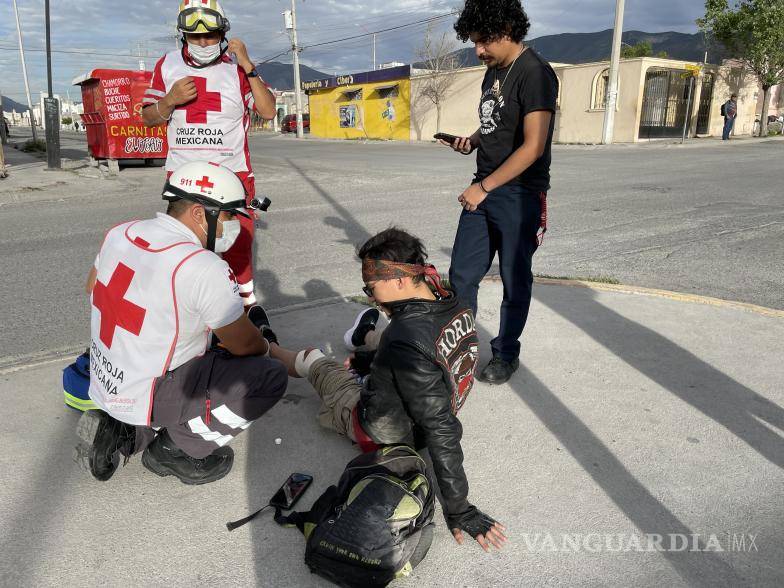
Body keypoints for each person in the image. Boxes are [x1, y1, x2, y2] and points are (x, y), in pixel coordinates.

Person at [263, 228, 507, 552]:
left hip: (376, 429)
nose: (370, 296)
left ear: (399, 280)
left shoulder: (404, 338)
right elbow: (419, 355)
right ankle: (364, 334)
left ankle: (265, 345)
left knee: (314, 360)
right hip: (411, 389)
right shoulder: (454, 301)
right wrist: (369, 362)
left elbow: (442, 430)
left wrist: (460, 509)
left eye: (371, 287)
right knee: (386, 338)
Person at [75, 161, 287, 485]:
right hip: (154, 387)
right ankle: (177, 448)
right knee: (268, 377)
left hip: (108, 374)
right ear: (200, 213)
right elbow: (245, 345)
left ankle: (122, 429)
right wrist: (268, 347)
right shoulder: (202, 266)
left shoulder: (122, 232)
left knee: (195, 341)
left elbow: (91, 287)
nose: (234, 226)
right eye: (230, 216)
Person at [439, 0, 558, 385]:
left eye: (484, 41)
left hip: (519, 195)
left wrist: (484, 187)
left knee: (514, 278)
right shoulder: (494, 70)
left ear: (507, 30)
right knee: (461, 275)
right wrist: (472, 140)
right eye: (474, 42)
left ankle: (506, 353)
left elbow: (533, 146)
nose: (478, 50)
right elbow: (497, 120)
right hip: (485, 187)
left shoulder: (535, 73)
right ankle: (462, 352)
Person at [142, 0, 277, 308]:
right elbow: (148, 118)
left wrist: (247, 64)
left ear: (223, 34)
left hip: (233, 174)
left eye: (211, 35)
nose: (203, 42)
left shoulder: (237, 68)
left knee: (237, 246)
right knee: (185, 246)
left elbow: (268, 111)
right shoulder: (166, 64)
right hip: (184, 177)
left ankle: (244, 308)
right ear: (183, 35)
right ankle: (192, 308)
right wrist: (170, 100)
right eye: (195, 36)